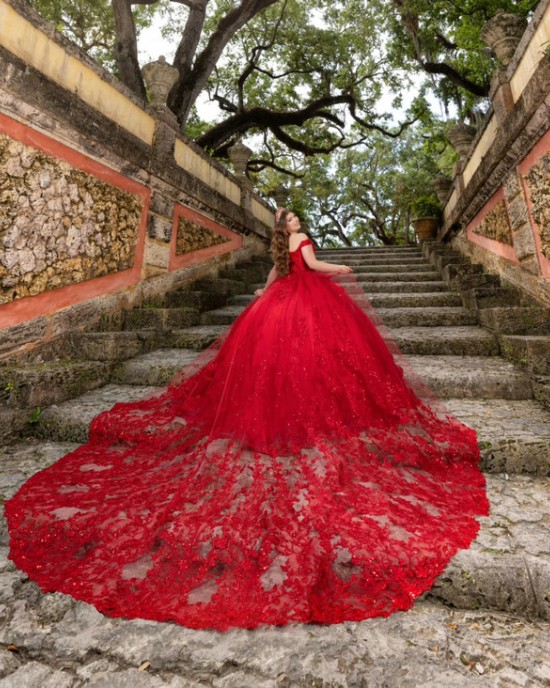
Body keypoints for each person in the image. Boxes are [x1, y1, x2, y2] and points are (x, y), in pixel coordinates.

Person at [5, 208, 489, 631]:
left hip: (279, 304)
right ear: (288, 229)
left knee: (278, 363)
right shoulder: (302, 243)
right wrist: (338, 266)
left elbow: (276, 279)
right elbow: (314, 267)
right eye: (292, 219)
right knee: (315, 363)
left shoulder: (281, 250)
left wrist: (260, 294)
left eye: (295, 218)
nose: (297, 222)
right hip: (306, 302)